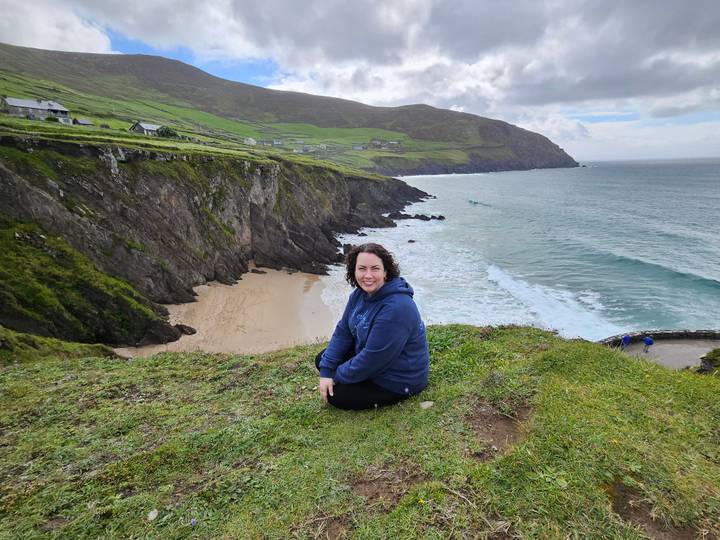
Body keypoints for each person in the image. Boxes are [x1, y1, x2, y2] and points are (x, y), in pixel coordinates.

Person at [315, 243, 430, 410]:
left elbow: (373, 359)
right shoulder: (358, 295)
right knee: (323, 360)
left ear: (386, 272)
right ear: (354, 271)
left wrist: (335, 377)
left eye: (375, 269)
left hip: (399, 378)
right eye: (362, 268)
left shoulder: (397, 307)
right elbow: (343, 332)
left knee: (337, 395)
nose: (367, 275)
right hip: (375, 359)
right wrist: (326, 371)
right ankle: (350, 376)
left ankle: (360, 381)